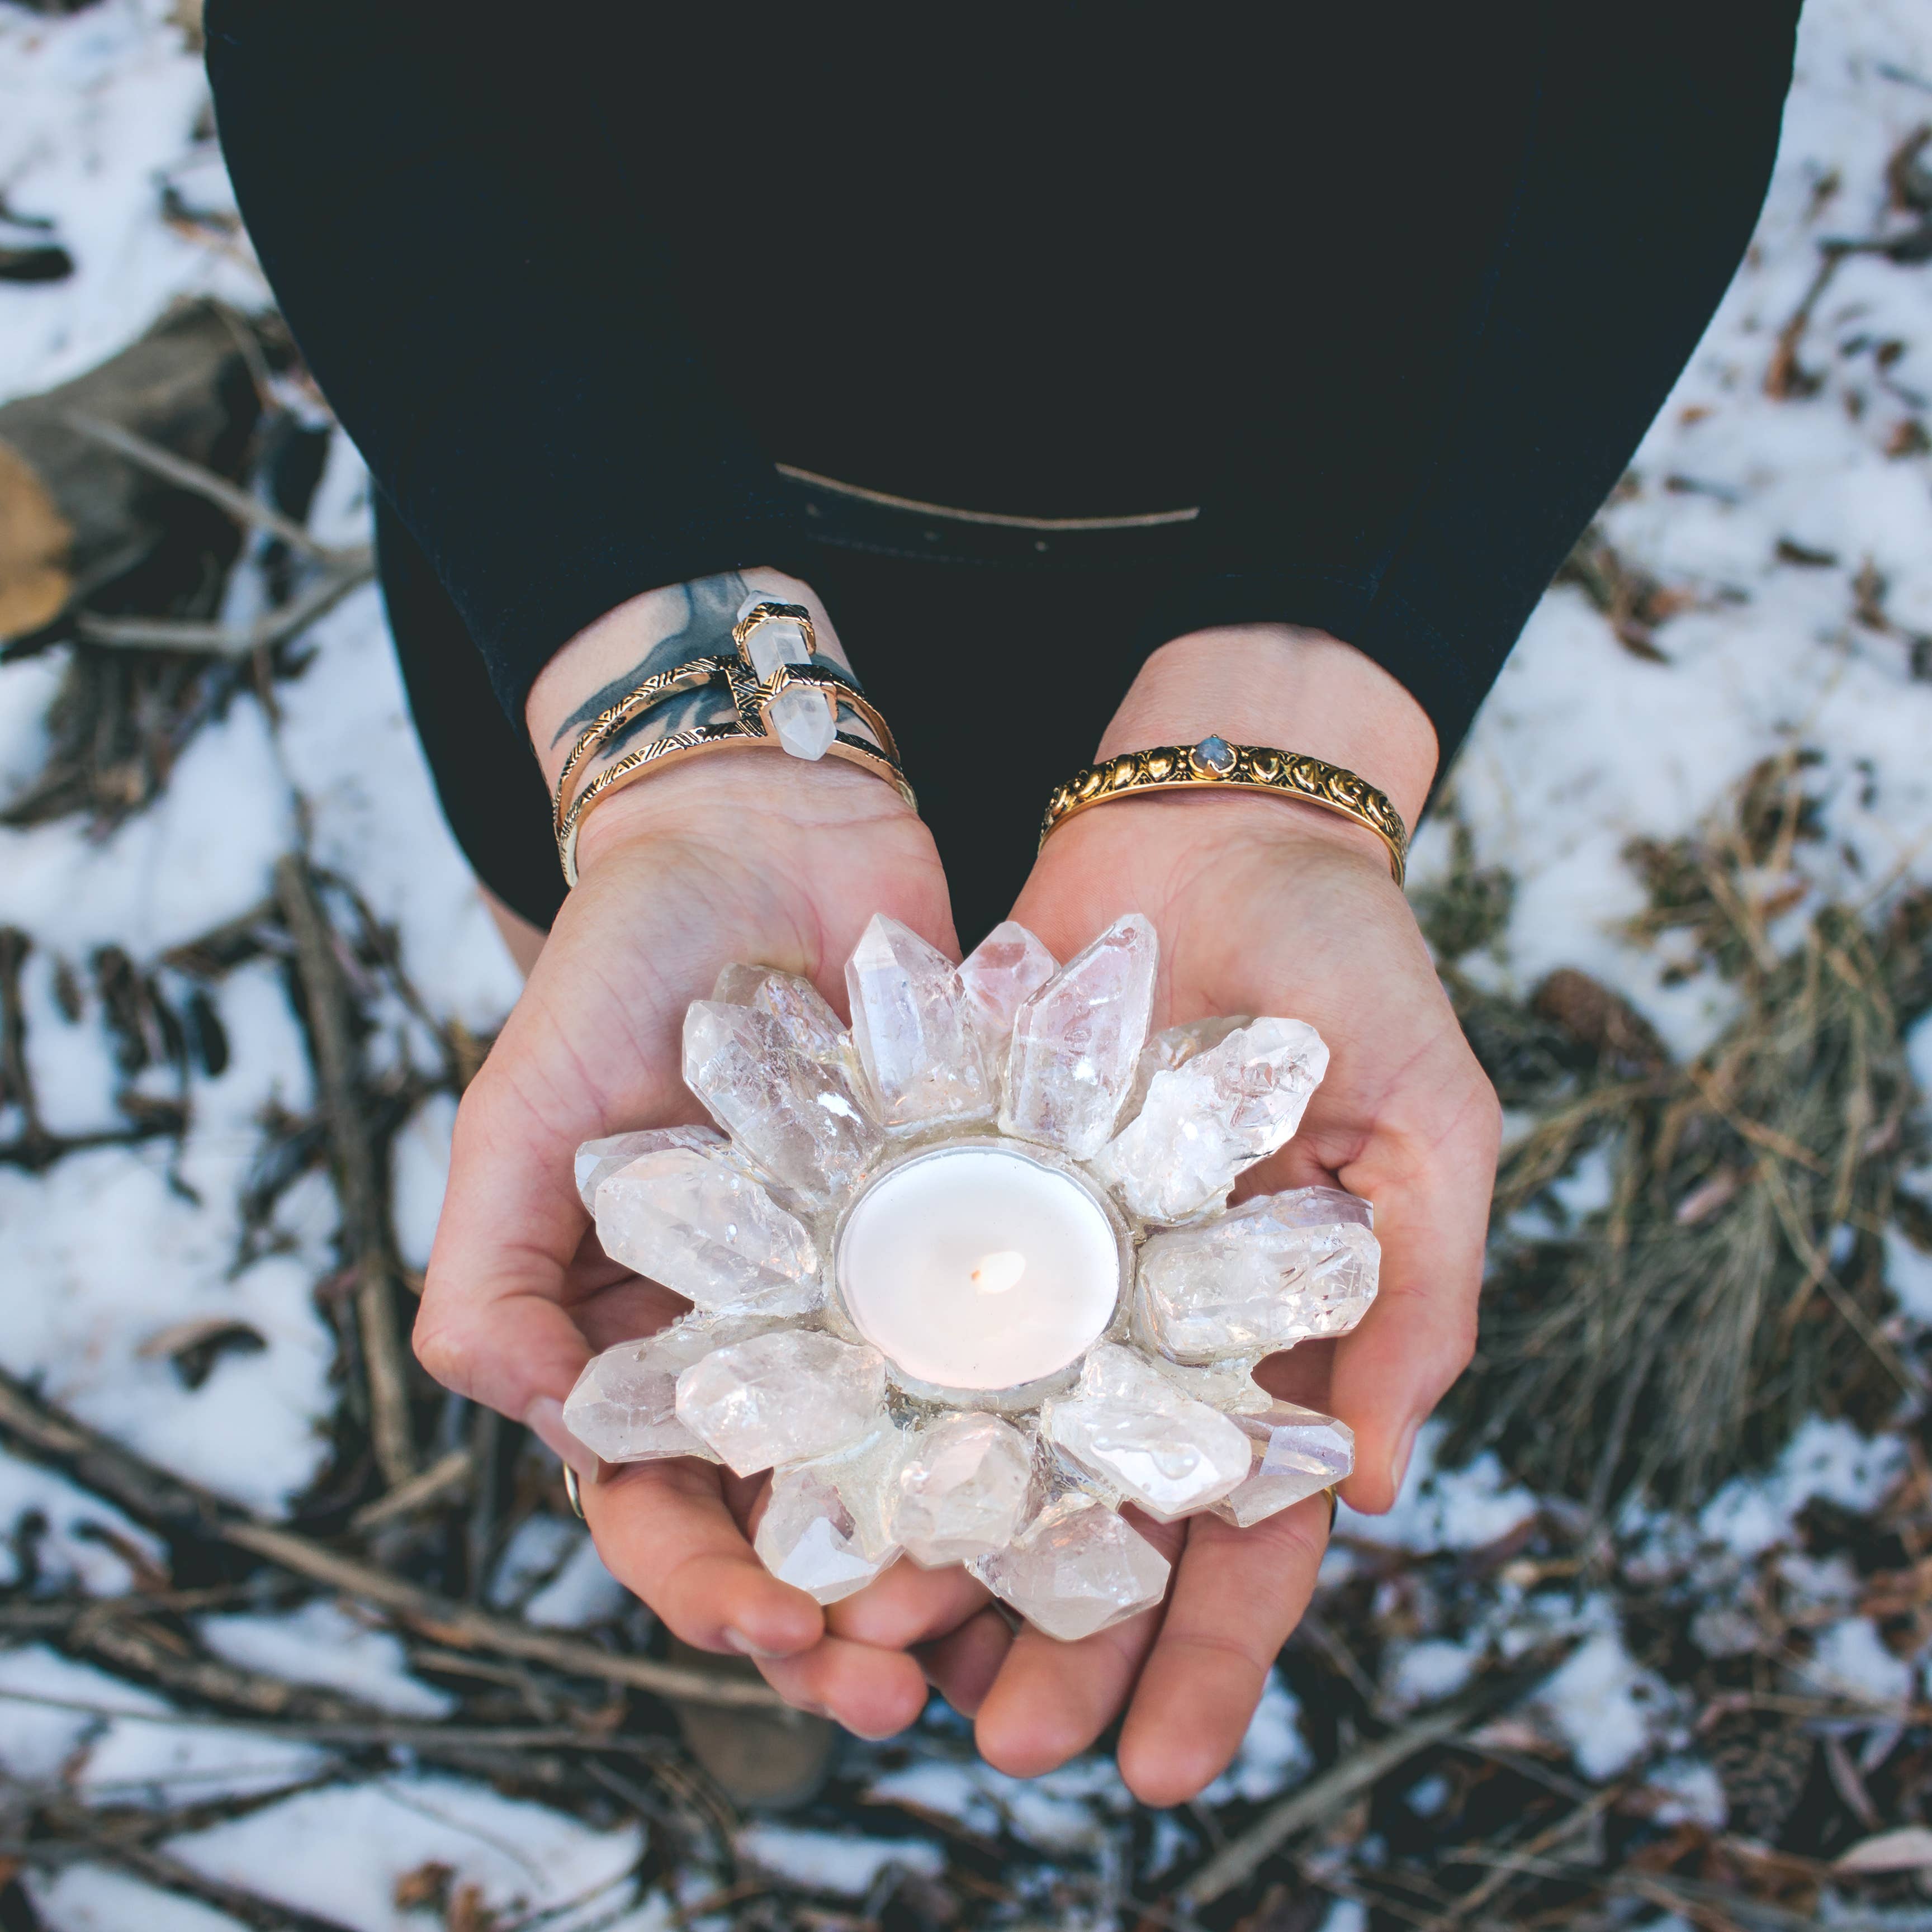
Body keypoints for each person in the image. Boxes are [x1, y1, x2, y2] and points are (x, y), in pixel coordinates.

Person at [205, 5, 1801, 1800]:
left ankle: (888, 1580)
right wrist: (672, 746)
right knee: (671, 1003)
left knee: (736, 990)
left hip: (1312, 479)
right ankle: (810, 1555)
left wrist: (1298, 720)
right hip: (583, 473)